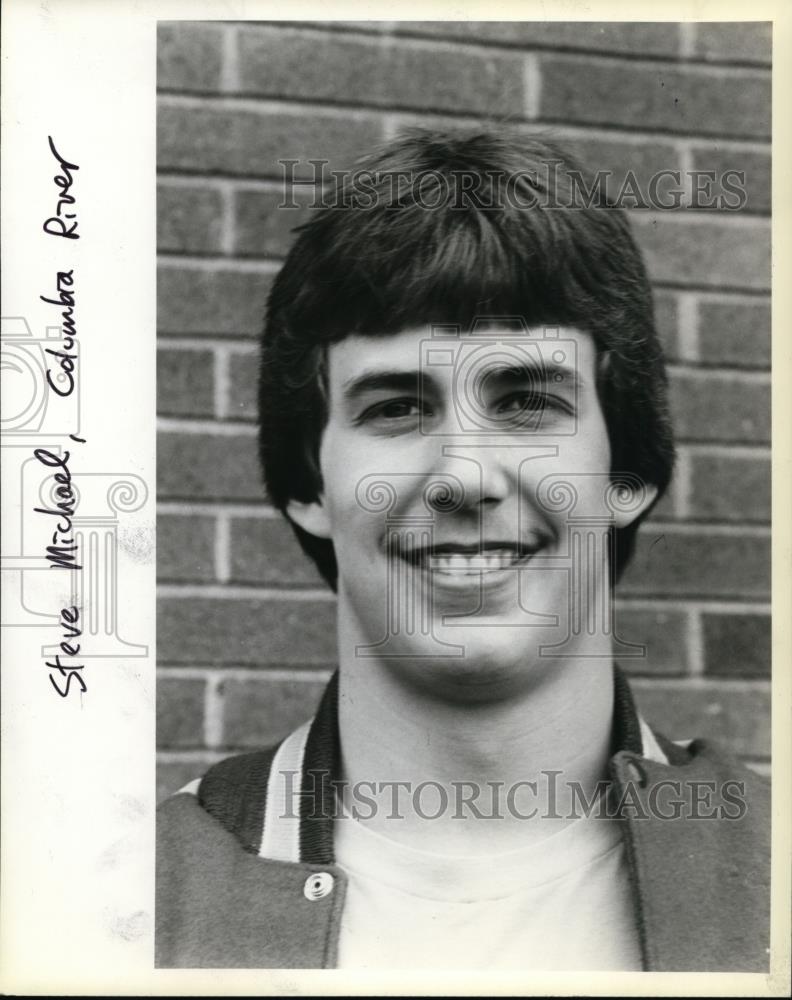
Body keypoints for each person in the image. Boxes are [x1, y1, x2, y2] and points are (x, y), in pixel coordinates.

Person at [156, 129, 769, 971]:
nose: (464, 476)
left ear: (626, 472)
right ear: (309, 486)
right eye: (397, 408)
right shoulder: (134, 897)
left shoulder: (770, 868)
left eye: (525, 402)